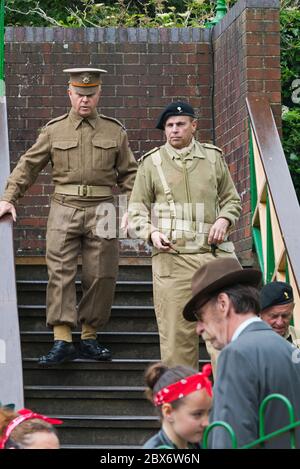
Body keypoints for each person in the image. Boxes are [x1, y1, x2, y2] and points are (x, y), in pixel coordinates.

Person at [0, 68, 137, 365]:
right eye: (79, 94)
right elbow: (28, 166)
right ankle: (61, 339)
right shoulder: (54, 130)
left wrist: (132, 209)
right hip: (63, 205)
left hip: (103, 206)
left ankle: (89, 336)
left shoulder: (115, 132)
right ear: (70, 94)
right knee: (60, 272)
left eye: (90, 95)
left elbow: (130, 175)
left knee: (102, 273)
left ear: (98, 94)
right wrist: (8, 198)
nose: (84, 100)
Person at [128, 101, 241, 370]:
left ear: (193, 126)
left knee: (224, 337)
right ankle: (185, 406)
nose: (174, 130)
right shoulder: (151, 163)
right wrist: (151, 232)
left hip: (212, 258)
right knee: (176, 342)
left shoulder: (213, 157)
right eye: (169, 126)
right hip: (172, 261)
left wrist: (224, 219)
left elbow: (232, 200)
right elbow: (135, 210)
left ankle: (229, 404)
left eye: (180, 124)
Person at [183, 257, 300, 448]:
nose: (199, 329)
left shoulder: (236, 354)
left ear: (223, 304)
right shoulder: (288, 349)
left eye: (201, 316)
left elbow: (230, 441)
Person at [143, 362, 212, 449]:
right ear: (168, 412)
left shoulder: (197, 444)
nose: (207, 423)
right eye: (198, 414)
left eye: (208, 413)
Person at [260, 281, 300, 347]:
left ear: (292, 309)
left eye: (285, 315)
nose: (280, 323)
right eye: (274, 316)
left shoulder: (298, 337)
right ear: (260, 313)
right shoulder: (247, 343)